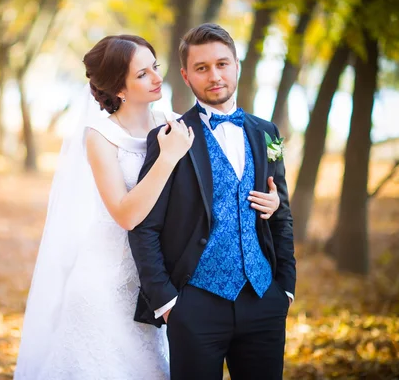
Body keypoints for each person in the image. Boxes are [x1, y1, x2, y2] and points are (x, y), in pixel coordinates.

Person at [14, 34, 281, 380]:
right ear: (119, 89)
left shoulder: (168, 120)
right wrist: (167, 159)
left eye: (155, 67)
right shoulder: (99, 135)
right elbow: (125, 214)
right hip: (108, 281)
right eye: (142, 75)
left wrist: (268, 201)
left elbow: (212, 190)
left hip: (162, 275)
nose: (157, 78)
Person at [128, 23, 296, 380]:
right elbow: (144, 226)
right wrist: (169, 303)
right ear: (187, 77)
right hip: (194, 304)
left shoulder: (266, 132)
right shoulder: (168, 137)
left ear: (237, 65)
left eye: (222, 64)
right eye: (202, 68)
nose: (215, 75)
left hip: (264, 298)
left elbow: (281, 213)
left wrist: (286, 288)